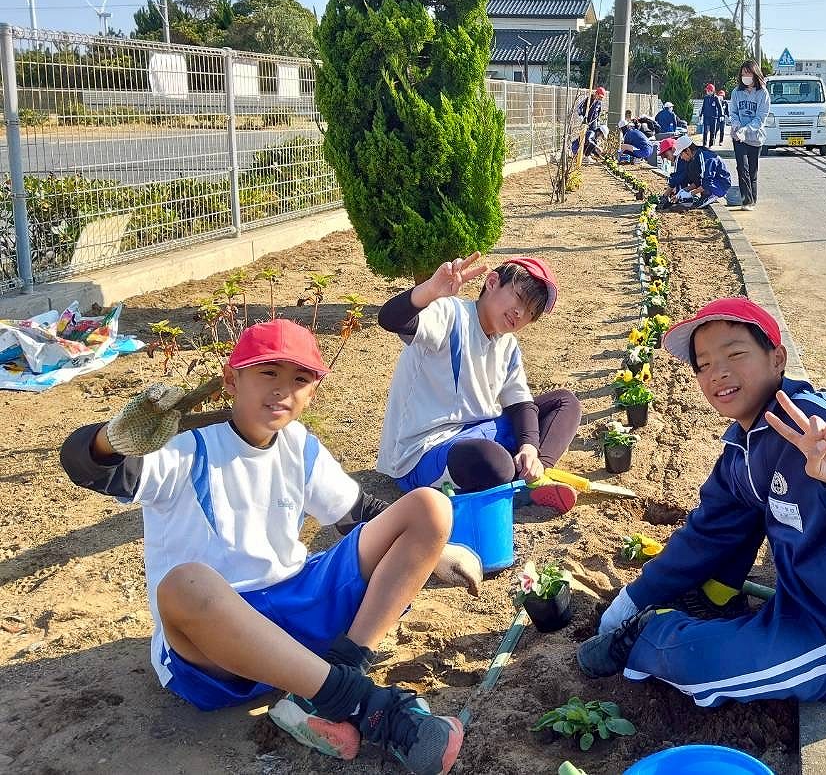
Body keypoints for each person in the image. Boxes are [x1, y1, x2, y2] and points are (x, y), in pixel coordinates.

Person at [58, 319, 467, 773]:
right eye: (268, 373)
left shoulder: (300, 446)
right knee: (184, 584)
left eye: (300, 379)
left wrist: (436, 549)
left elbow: (357, 512)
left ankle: (337, 672)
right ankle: (361, 703)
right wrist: (111, 439)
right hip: (217, 645)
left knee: (430, 506)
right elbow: (88, 466)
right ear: (232, 380)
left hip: (298, 614)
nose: (282, 390)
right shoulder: (184, 449)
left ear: (312, 392)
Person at [576, 298, 826, 706]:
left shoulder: (812, 425)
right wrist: (632, 598)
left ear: (777, 359)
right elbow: (707, 532)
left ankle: (648, 635)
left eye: (735, 354)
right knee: (726, 531)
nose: (718, 372)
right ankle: (712, 603)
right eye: (703, 364)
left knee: (694, 664)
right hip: (799, 604)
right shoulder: (743, 449)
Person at [377, 254, 582, 514]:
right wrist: (429, 291)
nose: (520, 314)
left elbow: (520, 403)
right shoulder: (451, 315)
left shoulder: (507, 345)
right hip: (425, 452)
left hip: (479, 431)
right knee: (492, 461)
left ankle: (533, 475)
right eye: (519, 298)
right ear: (493, 282)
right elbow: (391, 319)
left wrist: (530, 449)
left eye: (530, 313)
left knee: (565, 402)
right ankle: (514, 482)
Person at [728, 60, 770, 210]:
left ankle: (753, 200)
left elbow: (760, 118)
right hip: (738, 137)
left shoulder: (763, 93)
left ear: (755, 74)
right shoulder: (736, 92)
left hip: (755, 137)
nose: (745, 76)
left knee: (752, 170)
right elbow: (733, 112)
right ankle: (746, 200)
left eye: (748, 73)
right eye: (743, 73)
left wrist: (745, 130)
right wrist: (736, 125)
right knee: (742, 167)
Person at [657, 133, 731, 211]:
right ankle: (705, 195)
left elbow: (707, 182)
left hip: (719, 186)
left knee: (696, 206)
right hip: (711, 184)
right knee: (690, 172)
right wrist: (684, 191)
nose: (681, 157)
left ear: (688, 150)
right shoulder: (694, 158)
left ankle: (711, 195)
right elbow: (698, 181)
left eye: (681, 154)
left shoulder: (704, 158)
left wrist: (691, 193)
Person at [571, 87, 608, 162]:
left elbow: (598, 113)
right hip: (586, 123)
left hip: (594, 124)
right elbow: (579, 108)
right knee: (586, 138)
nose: (600, 99)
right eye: (600, 96)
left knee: (593, 139)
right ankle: (582, 154)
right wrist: (581, 116)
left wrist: (597, 122)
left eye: (602, 97)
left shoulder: (599, 103)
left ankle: (589, 153)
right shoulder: (588, 100)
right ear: (596, 93)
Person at [700, 83, 724, 148]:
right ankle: (704, 144)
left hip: (713, 117)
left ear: (712, 91)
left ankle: (711, 144)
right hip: (706, 116)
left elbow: (719, 107)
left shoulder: (716, 98)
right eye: (707, 91)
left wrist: (721, 115)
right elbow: (703, 106)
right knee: (705, 131)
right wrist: (701, 115)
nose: (707, 92)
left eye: (708, 90)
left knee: (712, 131)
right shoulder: (705, 98)